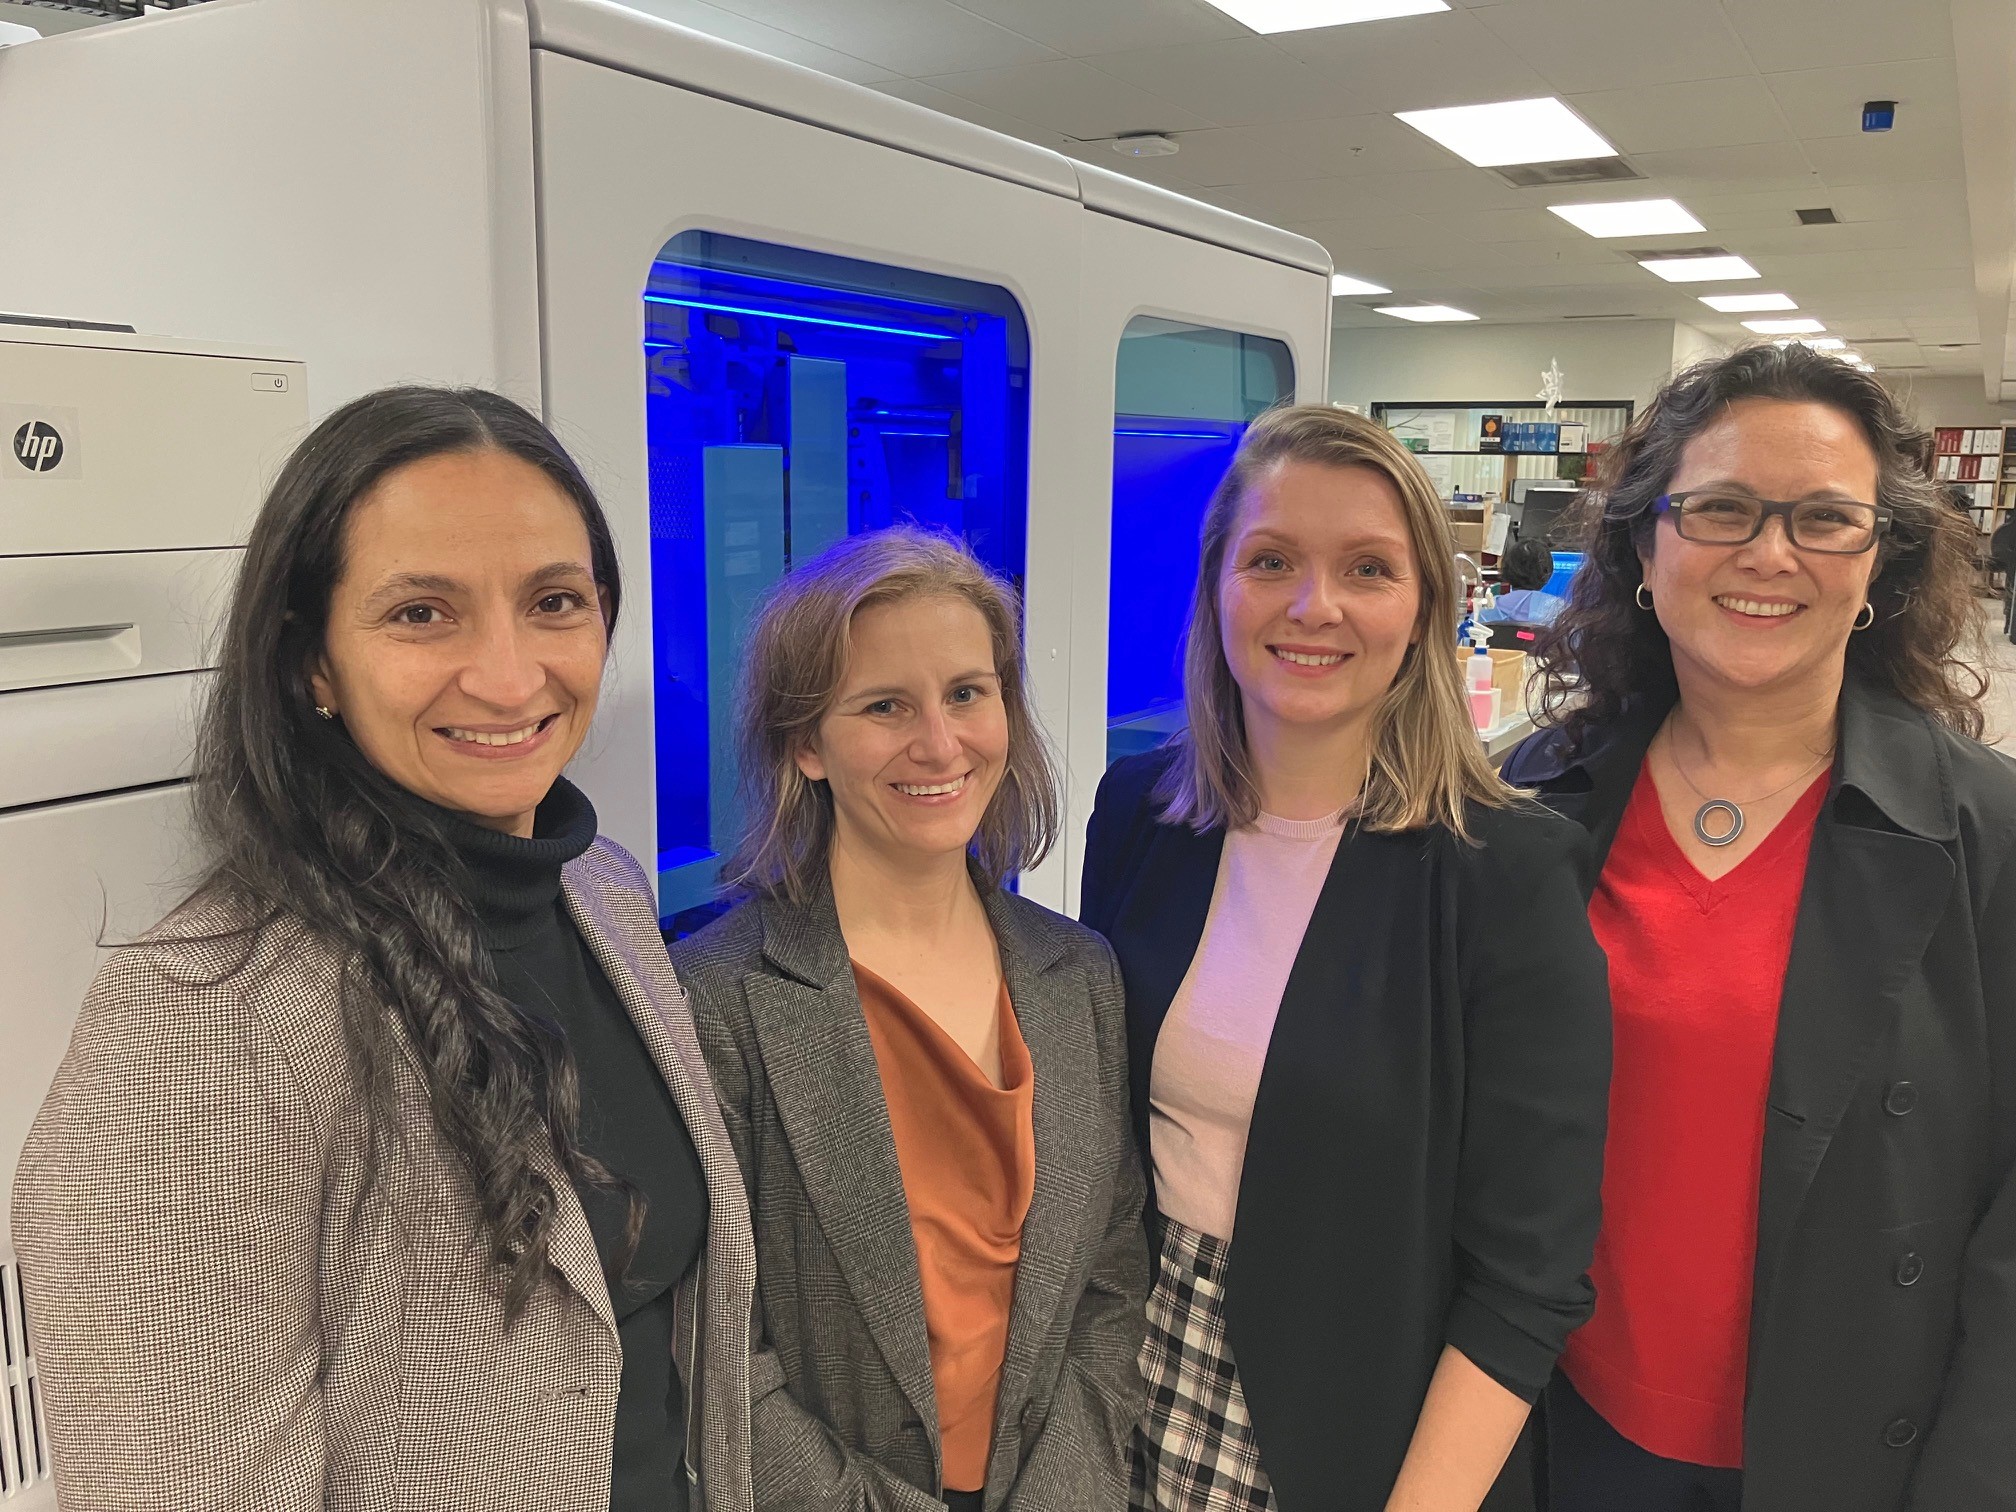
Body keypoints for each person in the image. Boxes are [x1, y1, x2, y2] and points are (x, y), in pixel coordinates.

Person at [12, 387, 756, 1512]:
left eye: (554, 600)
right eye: (422, 614)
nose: (510, 677)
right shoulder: (199, 1023)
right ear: (314, 663)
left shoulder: (602, 896)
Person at [1504, 342, 2016, 1512]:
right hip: (1557, 1430)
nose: (1769, 553)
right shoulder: (1538, 799)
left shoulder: (1989, 837)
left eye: (1825, 519)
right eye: (1722, 508)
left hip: (1857, 1458)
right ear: (1645, 545)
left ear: (1880, 560)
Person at [1079, 405, 1612, 1512]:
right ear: (1217, 585)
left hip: (1367, 1435)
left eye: (1368, 569)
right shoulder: (1141, 812)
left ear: (1423, 610)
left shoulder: (1505, 874)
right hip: (1123, 1379)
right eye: (1271, 561)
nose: (1313, 607)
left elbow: (1528, 1279)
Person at [672, 528, 1147, 1512]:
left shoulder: (1079, 975)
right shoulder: (717, 999)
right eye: (885, 706)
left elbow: (1111, 1277)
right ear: (806, 742)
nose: (939, 743)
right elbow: (714, 1340)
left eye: (968, 694)